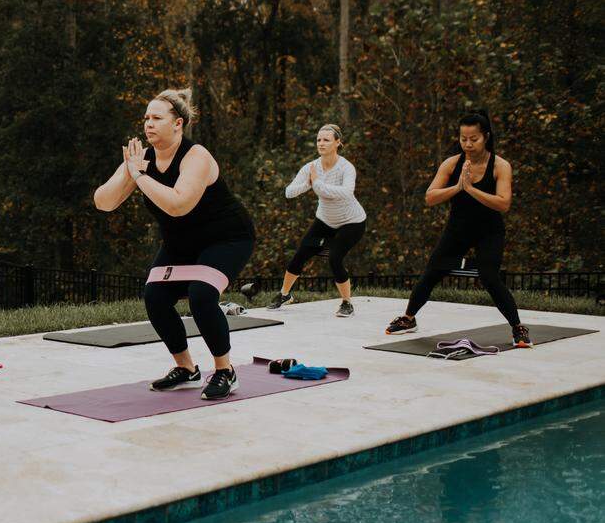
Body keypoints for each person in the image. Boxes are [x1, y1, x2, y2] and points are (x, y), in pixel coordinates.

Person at [94, 89, 256, 400]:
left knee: (202, 294)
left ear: (178, 123)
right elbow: (104, 202)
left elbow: (178, 205)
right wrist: (130, 172)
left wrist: (139, 176)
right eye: (146, 118)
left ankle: (225, 371)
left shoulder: (197, 156)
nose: (148, 124)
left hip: (226, 237)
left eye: (157, 118)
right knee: (155, 296)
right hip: (181, 242)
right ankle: (186, 369)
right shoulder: (141, 160)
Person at [386, 111, 532, 347]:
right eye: (463, 139)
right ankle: (408, 319)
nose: (468, 144)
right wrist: (458, 187)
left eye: (474, 139)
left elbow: (503, 203)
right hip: (458, 229)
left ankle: (518, 327)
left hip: (489, 231)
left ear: (486, 137)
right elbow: (430, 197)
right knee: (432, 271)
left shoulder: (500, 165)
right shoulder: (452, 163)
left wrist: (472, 189)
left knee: (489, 276)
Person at [268, 124, 367, 317]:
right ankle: (284, 294)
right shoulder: (311, 167)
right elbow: (289, 192)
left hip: (352, 222)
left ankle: (347, 303)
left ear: (337, 143)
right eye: (318, 140)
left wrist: (318, 184)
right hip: (325, 221)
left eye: (326, 140)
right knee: (300, 255)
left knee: (335, 258)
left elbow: (347, 192)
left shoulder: (346, 167)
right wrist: (308, 183)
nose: (321, 143)